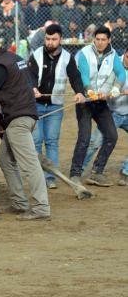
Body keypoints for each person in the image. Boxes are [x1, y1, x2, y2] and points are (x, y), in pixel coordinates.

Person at [0, 40, 51, 221]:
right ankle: (19, 203)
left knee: (29, 164)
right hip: (25, 116)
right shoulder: (13, 58)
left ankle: (41, 208)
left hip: (18, 119)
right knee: (5, 159)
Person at [27, 24, 87, 189]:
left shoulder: (68, 57)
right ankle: (38, 176)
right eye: (47, 38)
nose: (50, 42)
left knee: (52, 141)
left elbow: (75, 77)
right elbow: (29, 76)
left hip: (55, 107)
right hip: (36, 106)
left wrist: (80, 92)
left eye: (54, 39)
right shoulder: (36, 55)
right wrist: (32, 88)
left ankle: (50, 177)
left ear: (60, 39)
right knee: (36, 141)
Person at [71, 26, 126, 186]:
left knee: (111, 136)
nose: (100, 43)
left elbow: (121, 72)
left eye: (103, 40)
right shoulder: (84, 53)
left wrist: (116, 88)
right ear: (93, 39)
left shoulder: (113, 54)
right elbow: (84, 74)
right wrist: (89, 90)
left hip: (101, 102)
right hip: (85, 102)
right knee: (84, 137)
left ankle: (97, 172)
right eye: (97, 39)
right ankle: (75, 173)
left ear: (109, 40)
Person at [83, 50, 128, 184]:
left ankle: (125, 172)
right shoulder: (113, 64)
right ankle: (79, 168)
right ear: (125, 54)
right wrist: (111, 91)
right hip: (111, 112)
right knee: (95, 142)